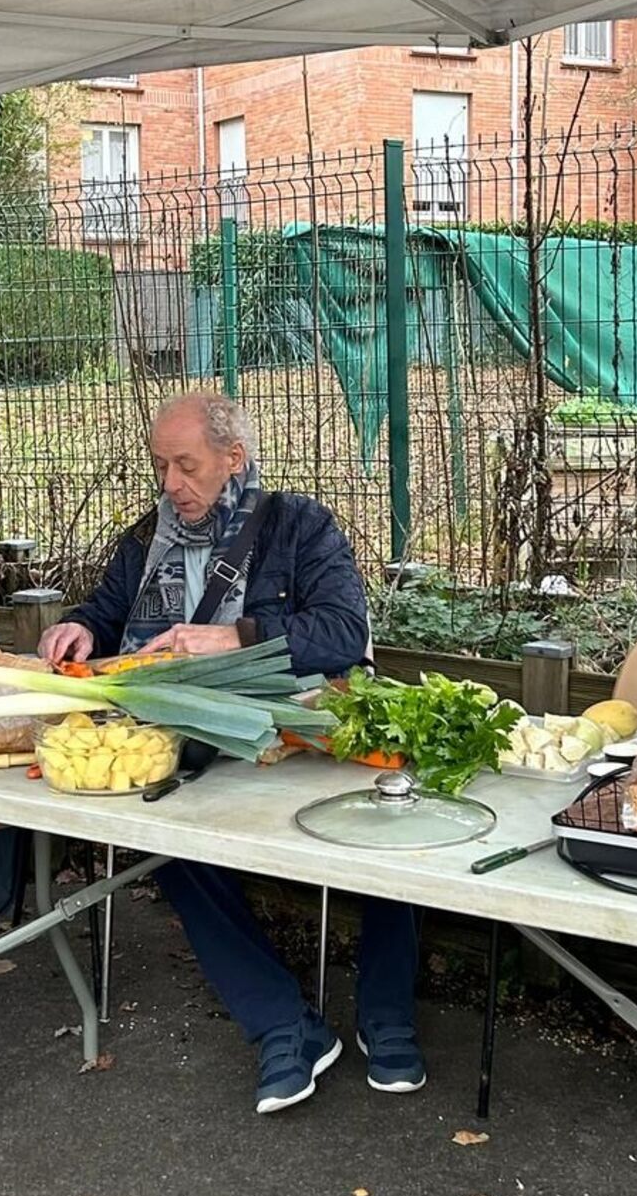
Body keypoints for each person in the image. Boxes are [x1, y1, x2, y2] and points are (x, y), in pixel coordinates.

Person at [39, 391, 427, 1113]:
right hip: (203, 745)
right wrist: (81, 628)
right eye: (161, 466)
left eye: (186, 466)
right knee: (168, 841)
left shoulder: (300, 525)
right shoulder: (145, 539)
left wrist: (238, 636)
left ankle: (387, 1012)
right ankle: (283, 1023)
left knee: (384, 819)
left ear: (234, 458)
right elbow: (107, 611)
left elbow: (343, 632)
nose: (170, 484)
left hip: (306, 735)